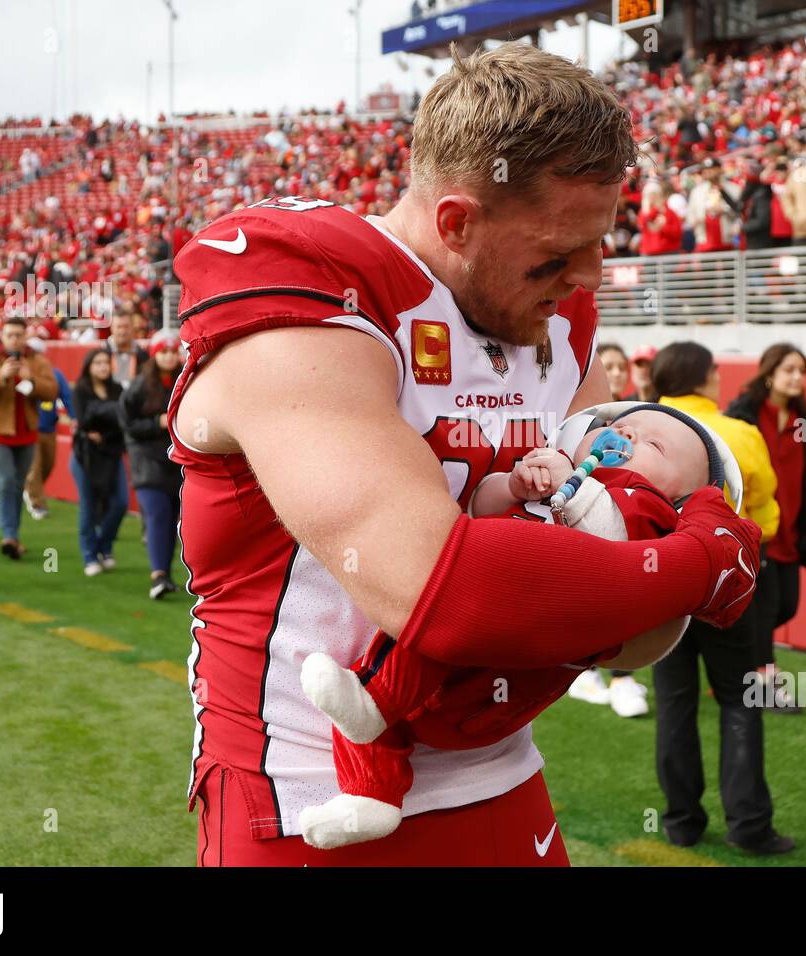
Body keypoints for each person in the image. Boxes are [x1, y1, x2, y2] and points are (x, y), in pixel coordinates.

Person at [171, 42, 759, 867]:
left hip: (503, 774)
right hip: (309, 796)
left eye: (599, 241)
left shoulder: (555, 319)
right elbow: (450, 596)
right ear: (457, 221)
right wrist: (701, 561)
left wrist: (630, 577)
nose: (590, 277)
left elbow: (637, 626)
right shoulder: (314, 309)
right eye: (558, 250)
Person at [297, 403, 754, 848]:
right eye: (625, 427)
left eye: (654, 443)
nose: (629, 438)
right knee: (385, 686)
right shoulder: (562, 465)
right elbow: (478, 507)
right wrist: (513, 486)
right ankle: (372, 793)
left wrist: (576, 488)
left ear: (682, 495)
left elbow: (611, 533)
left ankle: (375, 699)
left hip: (525, 649)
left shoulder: (648, 508)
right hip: (482, 620)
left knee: (431, 642)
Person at [650, 341, 794, 854]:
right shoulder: (739, 433)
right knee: (739, 701)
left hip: (660, 581)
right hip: (727, 581)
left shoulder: (632, 426)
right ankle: (750, 826)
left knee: (675, 703)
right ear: (706, 377)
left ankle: (681, 821)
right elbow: (766, 512)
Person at [727, 343, 806, 712]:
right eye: (789, 369)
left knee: (786, 607)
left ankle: (739, 672)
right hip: (756, 530)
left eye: (802, 371)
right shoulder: (745, 416)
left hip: (791, 529)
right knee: (766, 609)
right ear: (769, 374)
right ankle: (765, 685)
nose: (797, 377)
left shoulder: (802, 423)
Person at [569, 340, 655, 716]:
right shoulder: (583, 421)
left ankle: (618, 676)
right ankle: (590, 672)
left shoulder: (645, 415)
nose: (618, 373)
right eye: (612, 367)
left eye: (623, 367)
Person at [0, 316, 58, 558]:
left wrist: (32, 379)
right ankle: (8, 534)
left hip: (27, 433)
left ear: (25, 336)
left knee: (18, 484)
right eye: (10, 335)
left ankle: (13, 536)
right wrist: (1, 376)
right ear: (2, 336)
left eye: (19, 335)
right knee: (6, 481)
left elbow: (52, 391)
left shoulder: (36, 361)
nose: (15, 339)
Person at [122, 332, 184, 598]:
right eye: (164, 352)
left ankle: (165, 573)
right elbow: (128, 424)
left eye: (172, 352)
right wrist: (156, 423)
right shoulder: (140, 385)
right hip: (148, 462)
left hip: (176, 462)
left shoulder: (186, 379)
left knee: (171, 519)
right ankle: (158, 573)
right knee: (158, 515)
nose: (169, 357)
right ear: (155, 354)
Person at [70, 349, 129, 577]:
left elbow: (123, 422)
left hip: (112, 453)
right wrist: (108, 415)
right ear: (89, 366)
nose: (103, 366)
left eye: (106, 362)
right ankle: (89, 556)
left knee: (120, 503)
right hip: (84, 457)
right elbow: (83, 421)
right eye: (98, 363)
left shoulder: (118, 390)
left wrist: (102, 425)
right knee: (88, 505)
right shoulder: (81, 390)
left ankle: (104, 546)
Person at [22, 337, 73, 520]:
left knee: (48, 465)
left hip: (49, 427)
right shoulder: (22, 374)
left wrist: (74, 417)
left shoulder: (55, 374)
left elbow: (66, 396)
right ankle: (37, 503)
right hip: (31, 428)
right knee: (34, 467)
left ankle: (30, 490)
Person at [103, 311, 148, 388]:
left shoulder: (142, 355)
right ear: (112, 328)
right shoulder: (102, 353)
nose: (122, 331)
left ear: (132, 328)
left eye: (126, 327)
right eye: (119, 327)